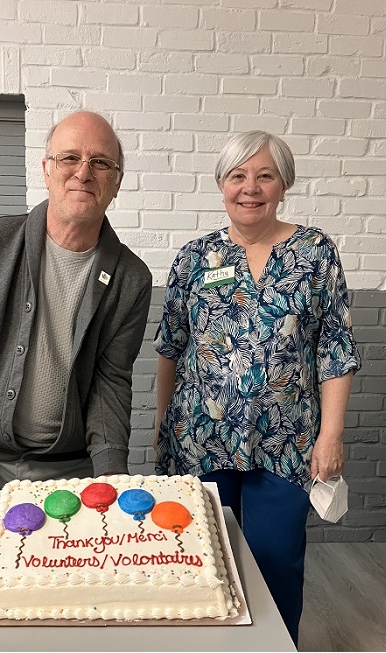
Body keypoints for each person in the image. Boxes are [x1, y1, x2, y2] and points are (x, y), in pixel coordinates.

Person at [153, 130, 360, 645]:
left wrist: (330, 435)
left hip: (286, 444)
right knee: (199, 562)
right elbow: (170, 348)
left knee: (276, 563)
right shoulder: (195, 258)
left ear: (283, 184)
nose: (251, 187)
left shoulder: (315, 253)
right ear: (221, 184)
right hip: (200, 441)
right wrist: (161, 428)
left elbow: (335, 348)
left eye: (264, 175)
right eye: (238, 175)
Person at [0, 111, 152, 528]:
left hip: (70, 474)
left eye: (100, 162)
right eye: (69, 158)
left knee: (62, 587)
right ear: (46, 169)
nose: (83, 173)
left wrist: (111, 472)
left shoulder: (132, 279)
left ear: (116, 182)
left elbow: (110, 378)